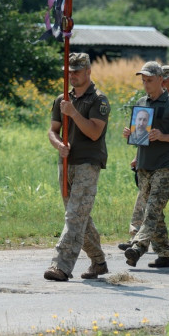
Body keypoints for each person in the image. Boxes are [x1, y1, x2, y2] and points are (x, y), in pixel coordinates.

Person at [44, 53, 111, 282]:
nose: (72, 75)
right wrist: (58, 144)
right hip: (66, 163)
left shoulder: (98, 100)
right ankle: (99, 261)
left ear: (88, 72)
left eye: (77, 71)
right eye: (69, 71)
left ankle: (60, 266)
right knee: (80, 216)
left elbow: (94, 132)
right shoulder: (61, 99)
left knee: (74, 216)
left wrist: (73, 112)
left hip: (87, 163)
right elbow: (52, 130)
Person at [123, 61, 169, 268]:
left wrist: (163, 136)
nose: (145, 84)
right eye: (143, 80)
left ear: (160, 79)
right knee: (156, 212)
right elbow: (140, 134)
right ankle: (164, 255)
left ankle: (138, 246)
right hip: (144, 165)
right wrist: (131, 135)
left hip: (164, 165)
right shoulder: (143, 102)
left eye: (149, 80)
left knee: (152, 209)